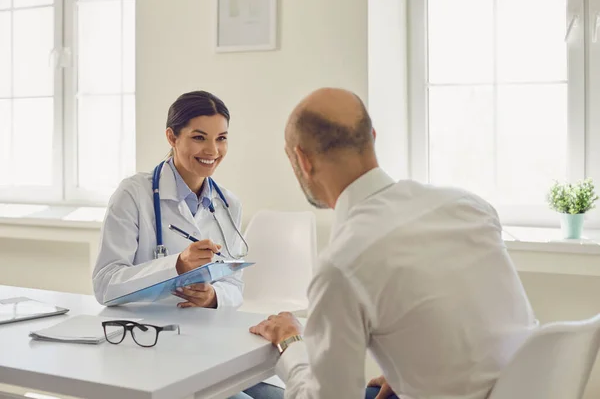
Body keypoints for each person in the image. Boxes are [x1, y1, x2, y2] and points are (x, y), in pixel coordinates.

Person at [249, 88, 538, 399]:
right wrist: (413, 371)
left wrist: (292, 344)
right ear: (372, 137)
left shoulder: (343, 262)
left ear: (302, 160)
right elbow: (483, 326)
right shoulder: (468, 206)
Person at [93, 90, 283, 399]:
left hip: (209, 342)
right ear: (172, 136)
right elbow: (105, 285)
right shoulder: (134, 195)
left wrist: (211, 296)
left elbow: (234, 286)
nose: (212, 149)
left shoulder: (228, 203)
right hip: (148, 345)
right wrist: (176, 265)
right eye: (199, 137)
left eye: (221, 138)